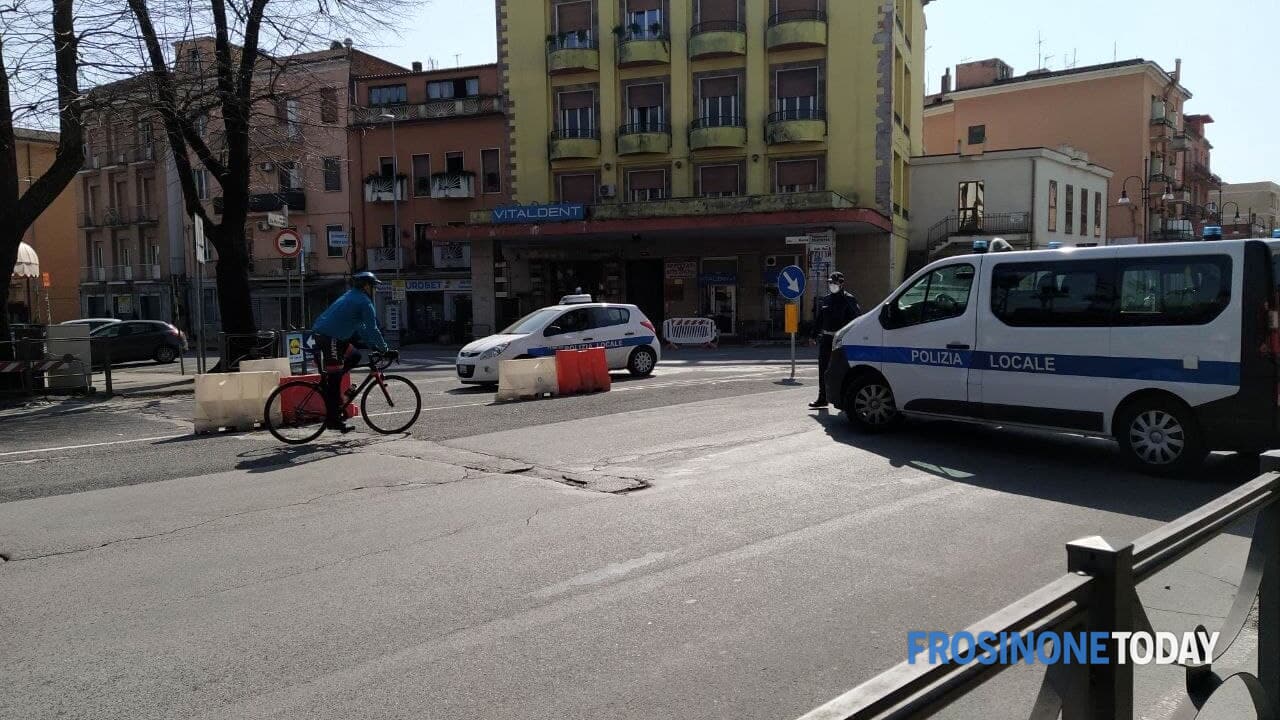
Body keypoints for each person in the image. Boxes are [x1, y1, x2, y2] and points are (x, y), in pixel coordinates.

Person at [311, 271, 398, 432]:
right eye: (373, 286)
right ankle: (333, 420)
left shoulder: (352, 295)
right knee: (334, 381)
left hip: (333, 336)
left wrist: (373, 346)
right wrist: (384, 349)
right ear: (366, 286)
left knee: (355, 355)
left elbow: (361, 328)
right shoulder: (364, 302)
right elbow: (372, 329)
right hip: (330, 338)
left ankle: (337, 389)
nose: (375, 289)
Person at [810, 271, 861, 409]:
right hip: (826, 339)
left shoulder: (849, 299)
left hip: (841, 340)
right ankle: (822, 398)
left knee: (842, 370)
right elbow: (820, 319)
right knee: (823, 369)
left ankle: (844, 400)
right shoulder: (826, 300)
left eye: (834, 282)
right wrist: (813, 335)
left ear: (841, 283)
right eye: (830, 283)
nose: (832, 285)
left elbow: (857, 320)